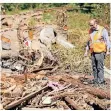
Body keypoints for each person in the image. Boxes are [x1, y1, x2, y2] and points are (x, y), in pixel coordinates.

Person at [84, 19, 110, 84]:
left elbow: (107, 41)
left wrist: (108, 51)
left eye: (92, 25)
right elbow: (89, 41)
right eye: (90, 25)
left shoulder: (102, 30)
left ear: (96, 23)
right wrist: (86, 51)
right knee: (94, 66)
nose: (91, 26)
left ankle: (101, 81)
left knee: (99, 67)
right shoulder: (90, 31)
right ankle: (96, 80)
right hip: (93, 51)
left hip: (100, 51)